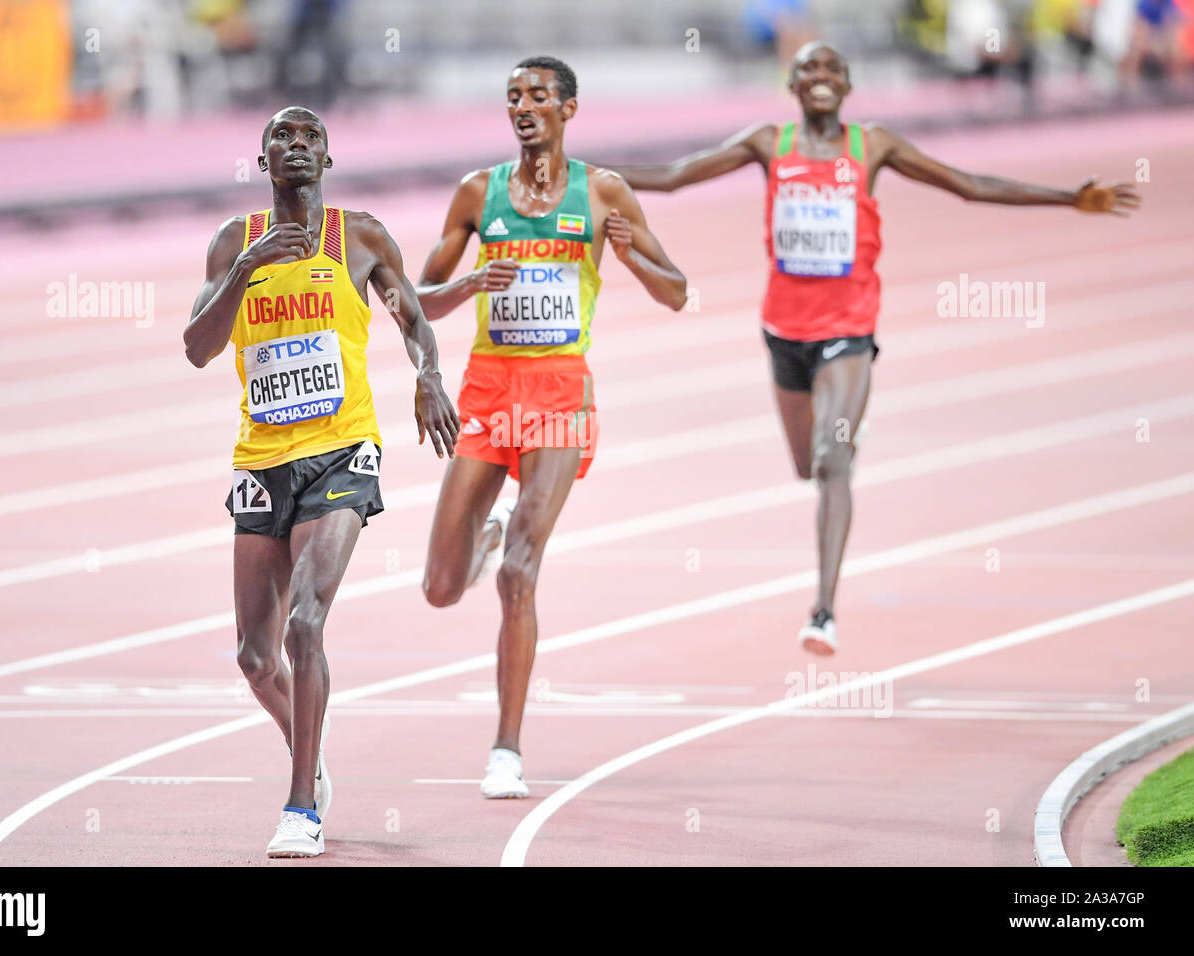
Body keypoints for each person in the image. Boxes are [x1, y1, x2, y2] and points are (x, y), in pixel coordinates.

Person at [615, 42, 1140, 655]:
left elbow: (967, 185)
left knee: (833, 462)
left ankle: (823, 611)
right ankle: (834, 450)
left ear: (848, 85)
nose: (820, 77)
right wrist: (574, 170)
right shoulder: (768, 142)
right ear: (792, 84)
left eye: (832, 69)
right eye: (808, 69)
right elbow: (677, 178)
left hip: (848, 329)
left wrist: (1066, 198)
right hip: (784, 332)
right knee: (806, 467)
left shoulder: (873, 146)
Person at [183, 106, 460, 856]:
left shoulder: (359, 236)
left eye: (310, 137)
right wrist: (246, 271)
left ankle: (301, 805)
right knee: (254, 657)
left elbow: (411, 314)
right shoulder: (232, 243)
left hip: (342, 451)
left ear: (327, 160)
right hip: (261, 459)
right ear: (263, 157)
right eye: (282, 136)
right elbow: (197, 349)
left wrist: (430, 375)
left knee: (308, 621)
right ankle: (307, 735)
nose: (296, 146)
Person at [415, 56, 688, 798]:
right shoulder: (480, 193)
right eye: (512, 97)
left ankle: (507, 748)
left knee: (519, 573)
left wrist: (631, 257)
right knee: (440, 588)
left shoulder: (603, 193)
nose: (523, 106)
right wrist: (467, 282)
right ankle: (489, 529)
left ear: (570, 108)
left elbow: (677, 292)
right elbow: (419, 300)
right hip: (487, 390)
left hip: (561, 394)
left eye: (538, 96)